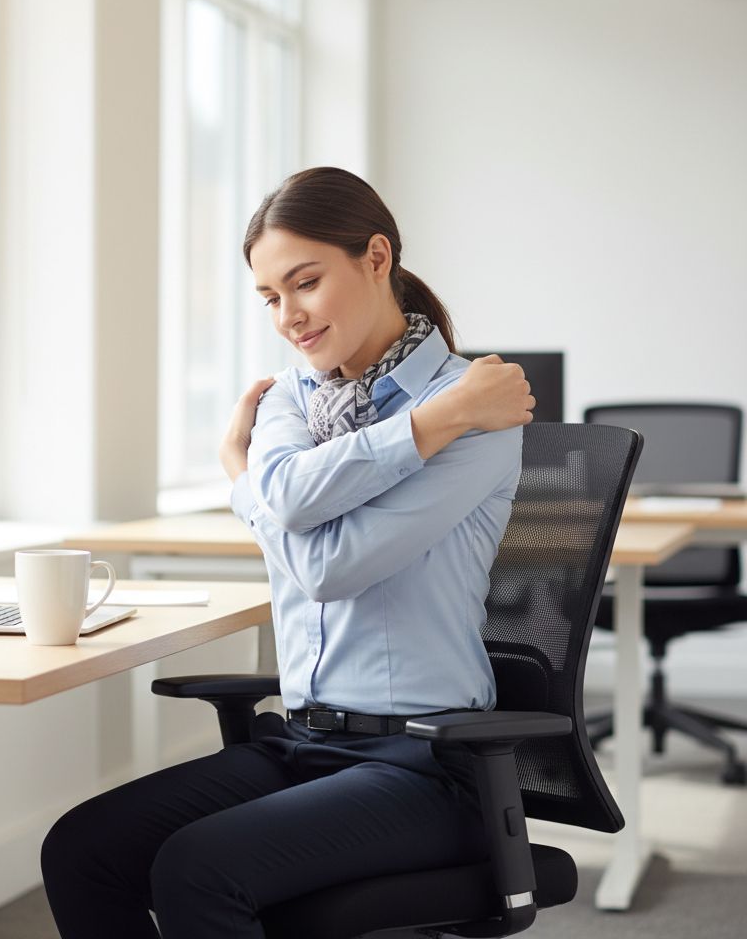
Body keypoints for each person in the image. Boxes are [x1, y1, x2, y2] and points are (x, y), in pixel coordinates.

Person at [41, 167, 536, 939]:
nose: (288, 317)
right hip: (303, 740)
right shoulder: (292, 398)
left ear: (377, 258)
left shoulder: (484, 408)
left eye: (304, 284)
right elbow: (296, 501)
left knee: (196, 868)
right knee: (82, 849)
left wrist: (242, 480)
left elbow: (325, 568)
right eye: (270, 297)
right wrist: (421, 429)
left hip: (426, 766)